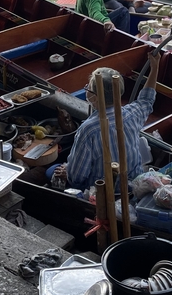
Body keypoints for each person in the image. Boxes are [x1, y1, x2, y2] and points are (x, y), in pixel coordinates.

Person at [63, 50, 161, 190]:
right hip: (135, 186)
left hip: (104, 193)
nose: (86, 90)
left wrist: (66, 172)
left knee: (52, 171)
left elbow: (76, 178)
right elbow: (147, 99)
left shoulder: (88, 130)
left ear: (95, 98)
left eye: (88, 89)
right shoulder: (131, 113)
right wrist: (155, 67)